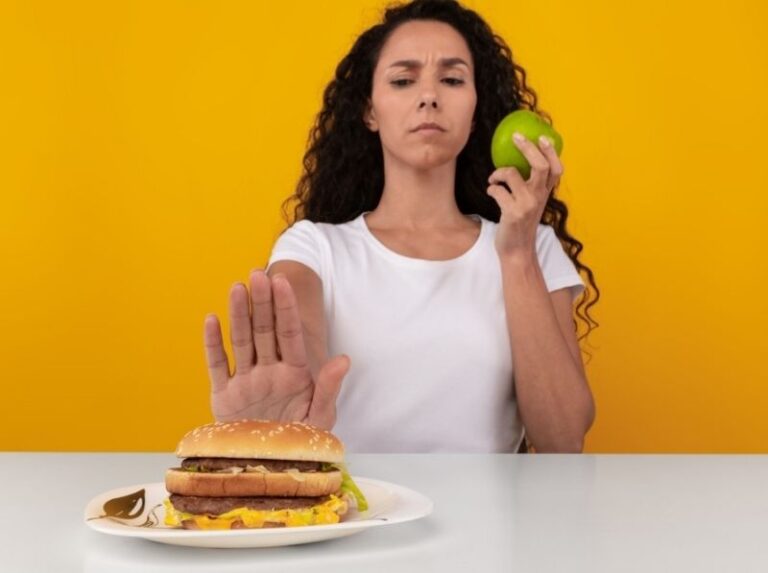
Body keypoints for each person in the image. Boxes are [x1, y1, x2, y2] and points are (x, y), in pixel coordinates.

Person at [203, 0, 599, 453]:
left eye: (452, 79)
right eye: (403, 80)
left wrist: (516, 255)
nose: (429, 96)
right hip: (352, 520)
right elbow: (302, 338)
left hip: (493, 524)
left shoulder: (531, 245)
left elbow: (562, 439)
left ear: (475, 114)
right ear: (370, 111)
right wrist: (284, 407)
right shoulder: (315, 247)